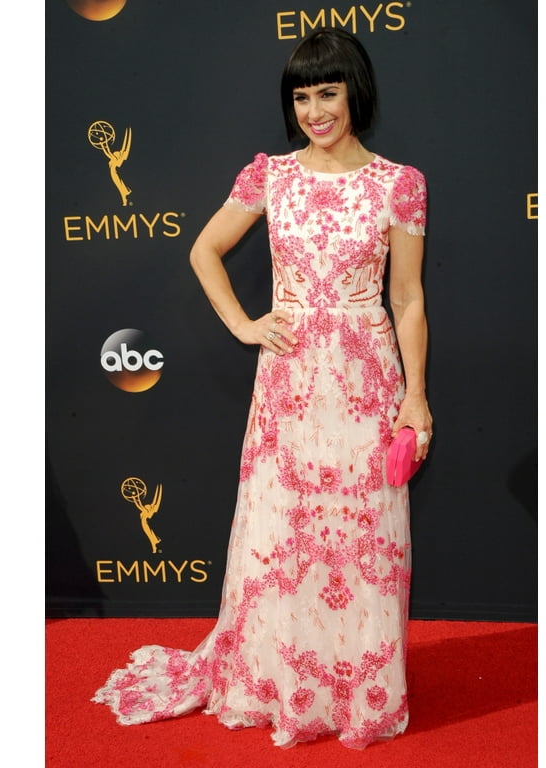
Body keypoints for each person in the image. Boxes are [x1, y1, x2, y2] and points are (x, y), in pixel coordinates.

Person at [92, 27, 433, 750]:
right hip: (289, 384)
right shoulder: (269, 177)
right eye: (302, 95)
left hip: (367, 383)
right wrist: (245, 325)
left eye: (328, 92)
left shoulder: (399, 184)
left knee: (364, 543)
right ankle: (289, 683)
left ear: (354, 93)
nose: (315, 110)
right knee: (288, 537)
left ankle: (359, 694)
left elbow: (406, 299)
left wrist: (415, 395)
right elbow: (203, 249)